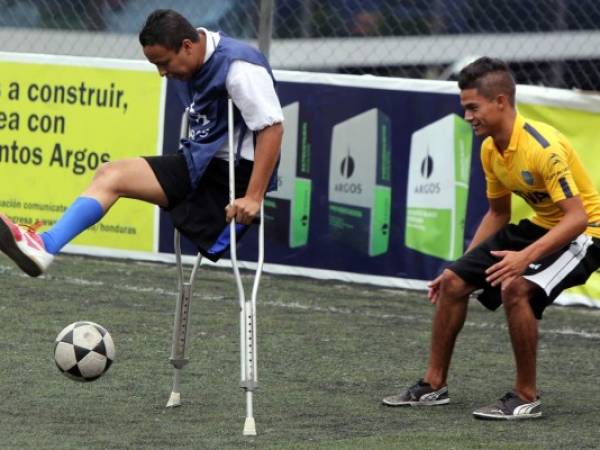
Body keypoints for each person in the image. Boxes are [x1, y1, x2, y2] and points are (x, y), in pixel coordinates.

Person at [383, 57, 600, 420]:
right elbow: (498, 213)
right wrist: (462, 266)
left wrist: (523, 258)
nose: (468, 116)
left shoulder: (542, 148)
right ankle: (432, 386)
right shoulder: (489, 149)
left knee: (516, 288)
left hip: (588, 232)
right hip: (545, 225)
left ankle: (525, 396)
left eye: (473, 108)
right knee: (453, 282)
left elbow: (577, 217)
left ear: (500, 101)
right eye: (464, 108)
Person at [0, 8, 283, 277]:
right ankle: (45, 246)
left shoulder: (239, 66)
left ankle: (44, 245)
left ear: (187, 46)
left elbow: (272, 128)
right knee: (110, 174)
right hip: (198, 164)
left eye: (163, 63)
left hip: (230, 179)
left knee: (114, 175)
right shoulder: (193, 56)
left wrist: (254, 197)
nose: (161, 73)